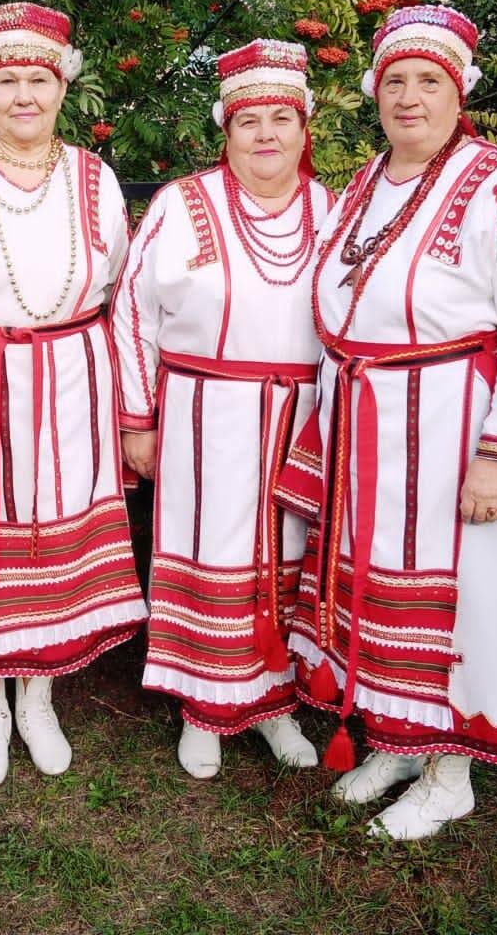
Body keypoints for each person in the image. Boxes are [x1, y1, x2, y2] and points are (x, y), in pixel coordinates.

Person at [285, 5, 497, 840]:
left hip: (451, 422)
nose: (410, 98)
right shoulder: (366, 180)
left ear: (458, 91)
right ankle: (399, 737)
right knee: (371, 585)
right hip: (366, 422)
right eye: (395, 81)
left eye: (428, 82)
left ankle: (452, 771)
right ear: (375, 93)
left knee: (458, 595)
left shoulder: (495, 178)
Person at [0, 2, 146, 787]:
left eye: (38, 80)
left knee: (53, 525)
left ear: (61, 87)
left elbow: (117, 286)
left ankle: (38, 695)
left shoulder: (94, 176)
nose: (23, 96)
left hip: (71, 376)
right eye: (6, 79)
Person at [112, 39, 330, 778]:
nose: (265, 135)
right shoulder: (181, 204)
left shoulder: (335, 211)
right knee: (211, 552)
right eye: (248, 121)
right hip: (203, 414)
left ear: (304, 129)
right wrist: (137, 418)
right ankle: (203, 703)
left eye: (280, 119)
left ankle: (275, 702)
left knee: (287, 553)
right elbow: (133, 317)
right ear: (225, 131)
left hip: (302, 417)